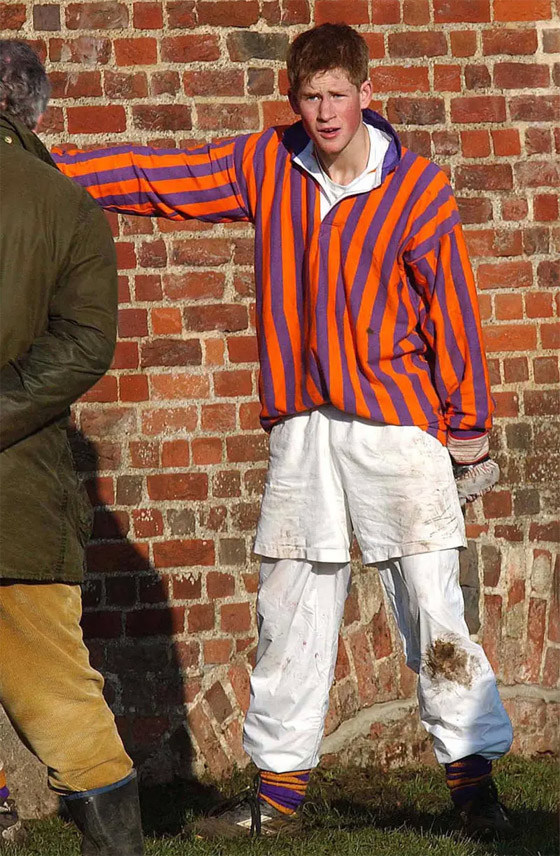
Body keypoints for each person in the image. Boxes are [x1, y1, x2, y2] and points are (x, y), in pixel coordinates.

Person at [52, 23, 513, 841]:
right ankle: (279, 797)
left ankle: (476, 792)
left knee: (434, 609)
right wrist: (46, 171)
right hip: (303, 429)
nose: (325, 112)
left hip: (397, 433)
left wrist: (468, 432)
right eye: (310, 96)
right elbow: (164, 176)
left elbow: (453, 313)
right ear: (293, 99)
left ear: (366, 94)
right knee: (290, 606)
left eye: (337, 94)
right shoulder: (268, 163)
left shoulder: (416, 190)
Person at [0, 41, 144, 855]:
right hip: (17, 501)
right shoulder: (67, 206)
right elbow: (86, 345)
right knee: (61, 700)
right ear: (33, 110)